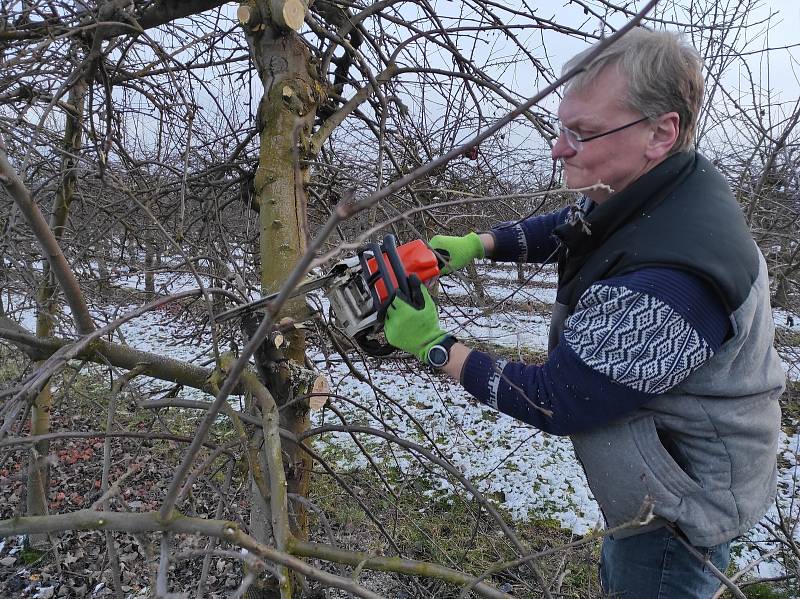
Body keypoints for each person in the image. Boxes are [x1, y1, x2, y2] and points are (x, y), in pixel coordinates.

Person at [383, 28, 786, 598]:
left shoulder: (671, 285)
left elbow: (559, 398)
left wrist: (436, 346)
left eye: (584, 133)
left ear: (660, 132)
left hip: (678, 516)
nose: (558, 148)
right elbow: (576, 226)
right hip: (654, 479)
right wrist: (477, 245)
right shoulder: (658, 189)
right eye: (561, 126)